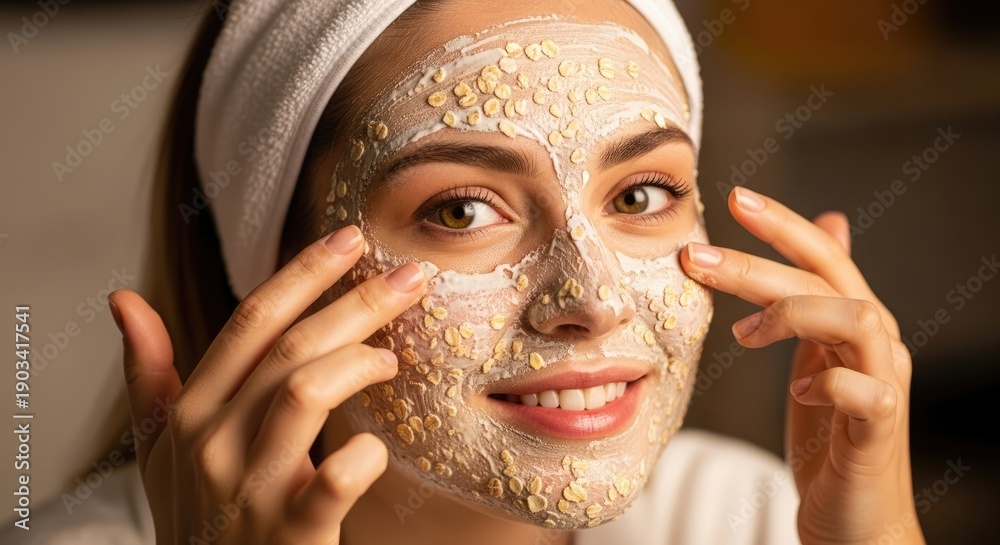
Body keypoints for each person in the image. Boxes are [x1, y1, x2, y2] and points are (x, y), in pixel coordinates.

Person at [10, 0, 925, 543]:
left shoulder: (742, 513)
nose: (593, 302)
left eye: (642, 194)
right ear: (277, 268)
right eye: (460, 211)